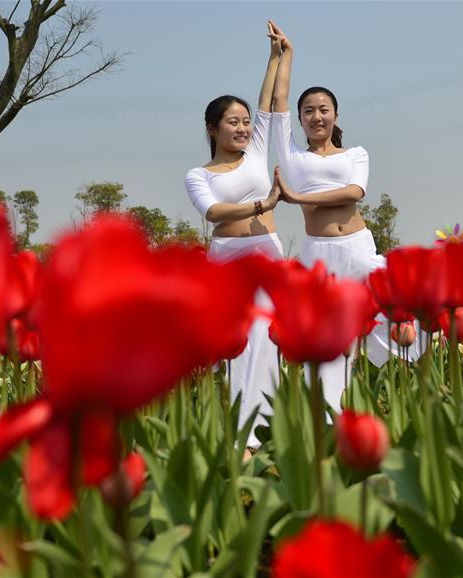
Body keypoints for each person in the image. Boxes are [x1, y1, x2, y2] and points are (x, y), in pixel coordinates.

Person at [268, 21, 424, 413]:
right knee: (325, 344)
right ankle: (330, 421)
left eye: (323, 110)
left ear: (335, 115)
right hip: (318, 255)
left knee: (405, 308)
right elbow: (278, 104)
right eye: (309, 111)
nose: (315, 117)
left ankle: (394, 403)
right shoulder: (293, 157)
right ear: (301, 119)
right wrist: (286, 54)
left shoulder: (355, 154)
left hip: (357, 248)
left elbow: (356, 192)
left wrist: (298, 197)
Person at [184, 22, 285, 450]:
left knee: (268, 340)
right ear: (212, 128)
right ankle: (240, 437)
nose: (243, 129)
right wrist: (262, 204)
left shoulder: (258, 150)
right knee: (236, 345)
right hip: (227, 257)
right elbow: (213, 212)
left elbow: (266, 102)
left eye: (245, 122)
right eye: (232, 122)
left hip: (267, 253)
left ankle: (271, 431)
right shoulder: (198, 174)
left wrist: (276, 57)